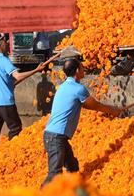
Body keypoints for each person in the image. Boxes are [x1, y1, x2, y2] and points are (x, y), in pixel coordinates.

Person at [42, 56, 122, 186]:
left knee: (73, 167)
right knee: (55, 174)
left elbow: (86, 105)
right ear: (77, 71)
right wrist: (112, 110)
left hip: (56, 135)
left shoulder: (64, 86)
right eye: (81, 67)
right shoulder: (78, 89)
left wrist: (109, 110)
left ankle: (71, 194)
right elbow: (95, 105)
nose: (84, 68)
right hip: (55, 136)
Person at [0, 36, 57, 150]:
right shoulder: (4, 60)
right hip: (6, 103)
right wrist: (36, 70)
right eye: (5, 41)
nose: (7, 43)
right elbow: (17, 76)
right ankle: (13, 151)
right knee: (15, 128)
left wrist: (2, 84)